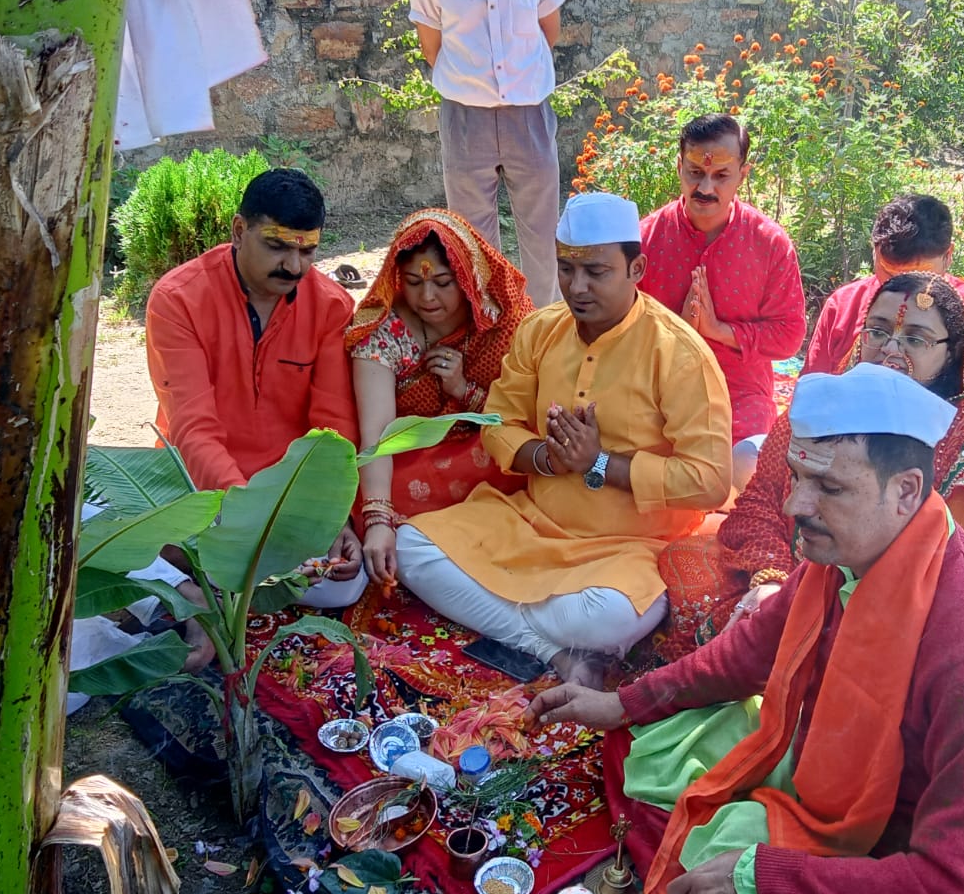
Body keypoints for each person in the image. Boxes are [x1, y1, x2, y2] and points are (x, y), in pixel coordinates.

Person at [527, 363, 964, 894]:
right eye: (798, 479)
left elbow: (960, 890)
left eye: (827, 487)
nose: (795, 506)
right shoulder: (847, 553)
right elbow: (748, 654)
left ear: (907, 491)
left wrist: (765, 879)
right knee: (632, 748)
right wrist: (622, 702)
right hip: (825, 793)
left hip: (919, 887)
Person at [394, 192, 732, 686]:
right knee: (410, 547)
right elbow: (499, 421)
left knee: (609, 618)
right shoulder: (540, 331)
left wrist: (598, 463)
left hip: (629, 546)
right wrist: (547, 459)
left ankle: (512, 624)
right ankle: (550, 651)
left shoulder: (678, 355)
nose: (577, 287)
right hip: (532, 523)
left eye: (596, 272)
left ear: (636, 268)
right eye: (566, 270)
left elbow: (710, 481)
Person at [656, 272, 964, 660]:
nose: (891, 352)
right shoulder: (825, 407)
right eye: (878, 331)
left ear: (951, 354)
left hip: (886, 631)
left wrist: (809, 609)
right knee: (684, 565)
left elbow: (944, 587)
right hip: (786, 579)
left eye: (915, 339)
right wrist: (772, 581)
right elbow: (761, 501)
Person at [145, 167, 367, 610]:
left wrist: (330, 515)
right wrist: (250, 517)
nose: (293, 265)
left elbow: (332, 426)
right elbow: (193, 430)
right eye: (277, 246)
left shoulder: (331, 306)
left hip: (287, 501)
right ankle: (208, 578)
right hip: (200, 491)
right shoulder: (178, 299)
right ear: (239, 230)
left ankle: (203, 589)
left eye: (307, 251)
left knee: (345, 584)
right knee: (101, 535)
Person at [409, 0, 565, 307]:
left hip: (529, 114)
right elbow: (432, 49)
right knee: (473, 241)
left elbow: (548, 31)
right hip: (465, 117)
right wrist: (473, 84)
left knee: (541, 234)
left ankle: (545, 331)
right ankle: (489, 331)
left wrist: (518, 82)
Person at [348, 208, 535, 587]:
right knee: (374, 494)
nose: (427, 297)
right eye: (413, 282)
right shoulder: (383, 331)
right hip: (412, 462)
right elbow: (378, 437)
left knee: (527, 460)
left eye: (444, 282)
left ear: (468, 280)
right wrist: (379, 520)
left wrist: (462, 390)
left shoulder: (506, 319)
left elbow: (523, 415)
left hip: (485, 450)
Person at [639, 113, 806, 487]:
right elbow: (617, 327)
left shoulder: (770, 244)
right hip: (656, 388)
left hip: (739, 394)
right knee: (622, 462)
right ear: (679, 165)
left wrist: (718, 330)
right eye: (695, 172)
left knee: (746, 465)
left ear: (743, 176)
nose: (705, 189)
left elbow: (790, 335)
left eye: (721, 176)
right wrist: (677, 332)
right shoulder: (645, 240)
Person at [809, 193, 964, 422]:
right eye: (888, 274)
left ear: (948, 256)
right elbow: (813, 397)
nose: (902, 290)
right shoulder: (843, 304)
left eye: (919, 276)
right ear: (874, 250)